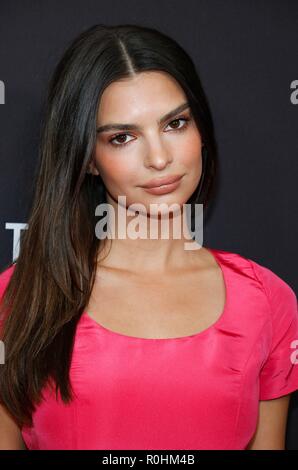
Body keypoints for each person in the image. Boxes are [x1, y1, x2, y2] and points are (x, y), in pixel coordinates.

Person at [0, 23, 297, 451]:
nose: (159, 158)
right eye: (123, 137)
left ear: (201, 131)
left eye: (175, 124)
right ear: (87, 159)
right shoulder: (18, 300)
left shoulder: (267, 300)